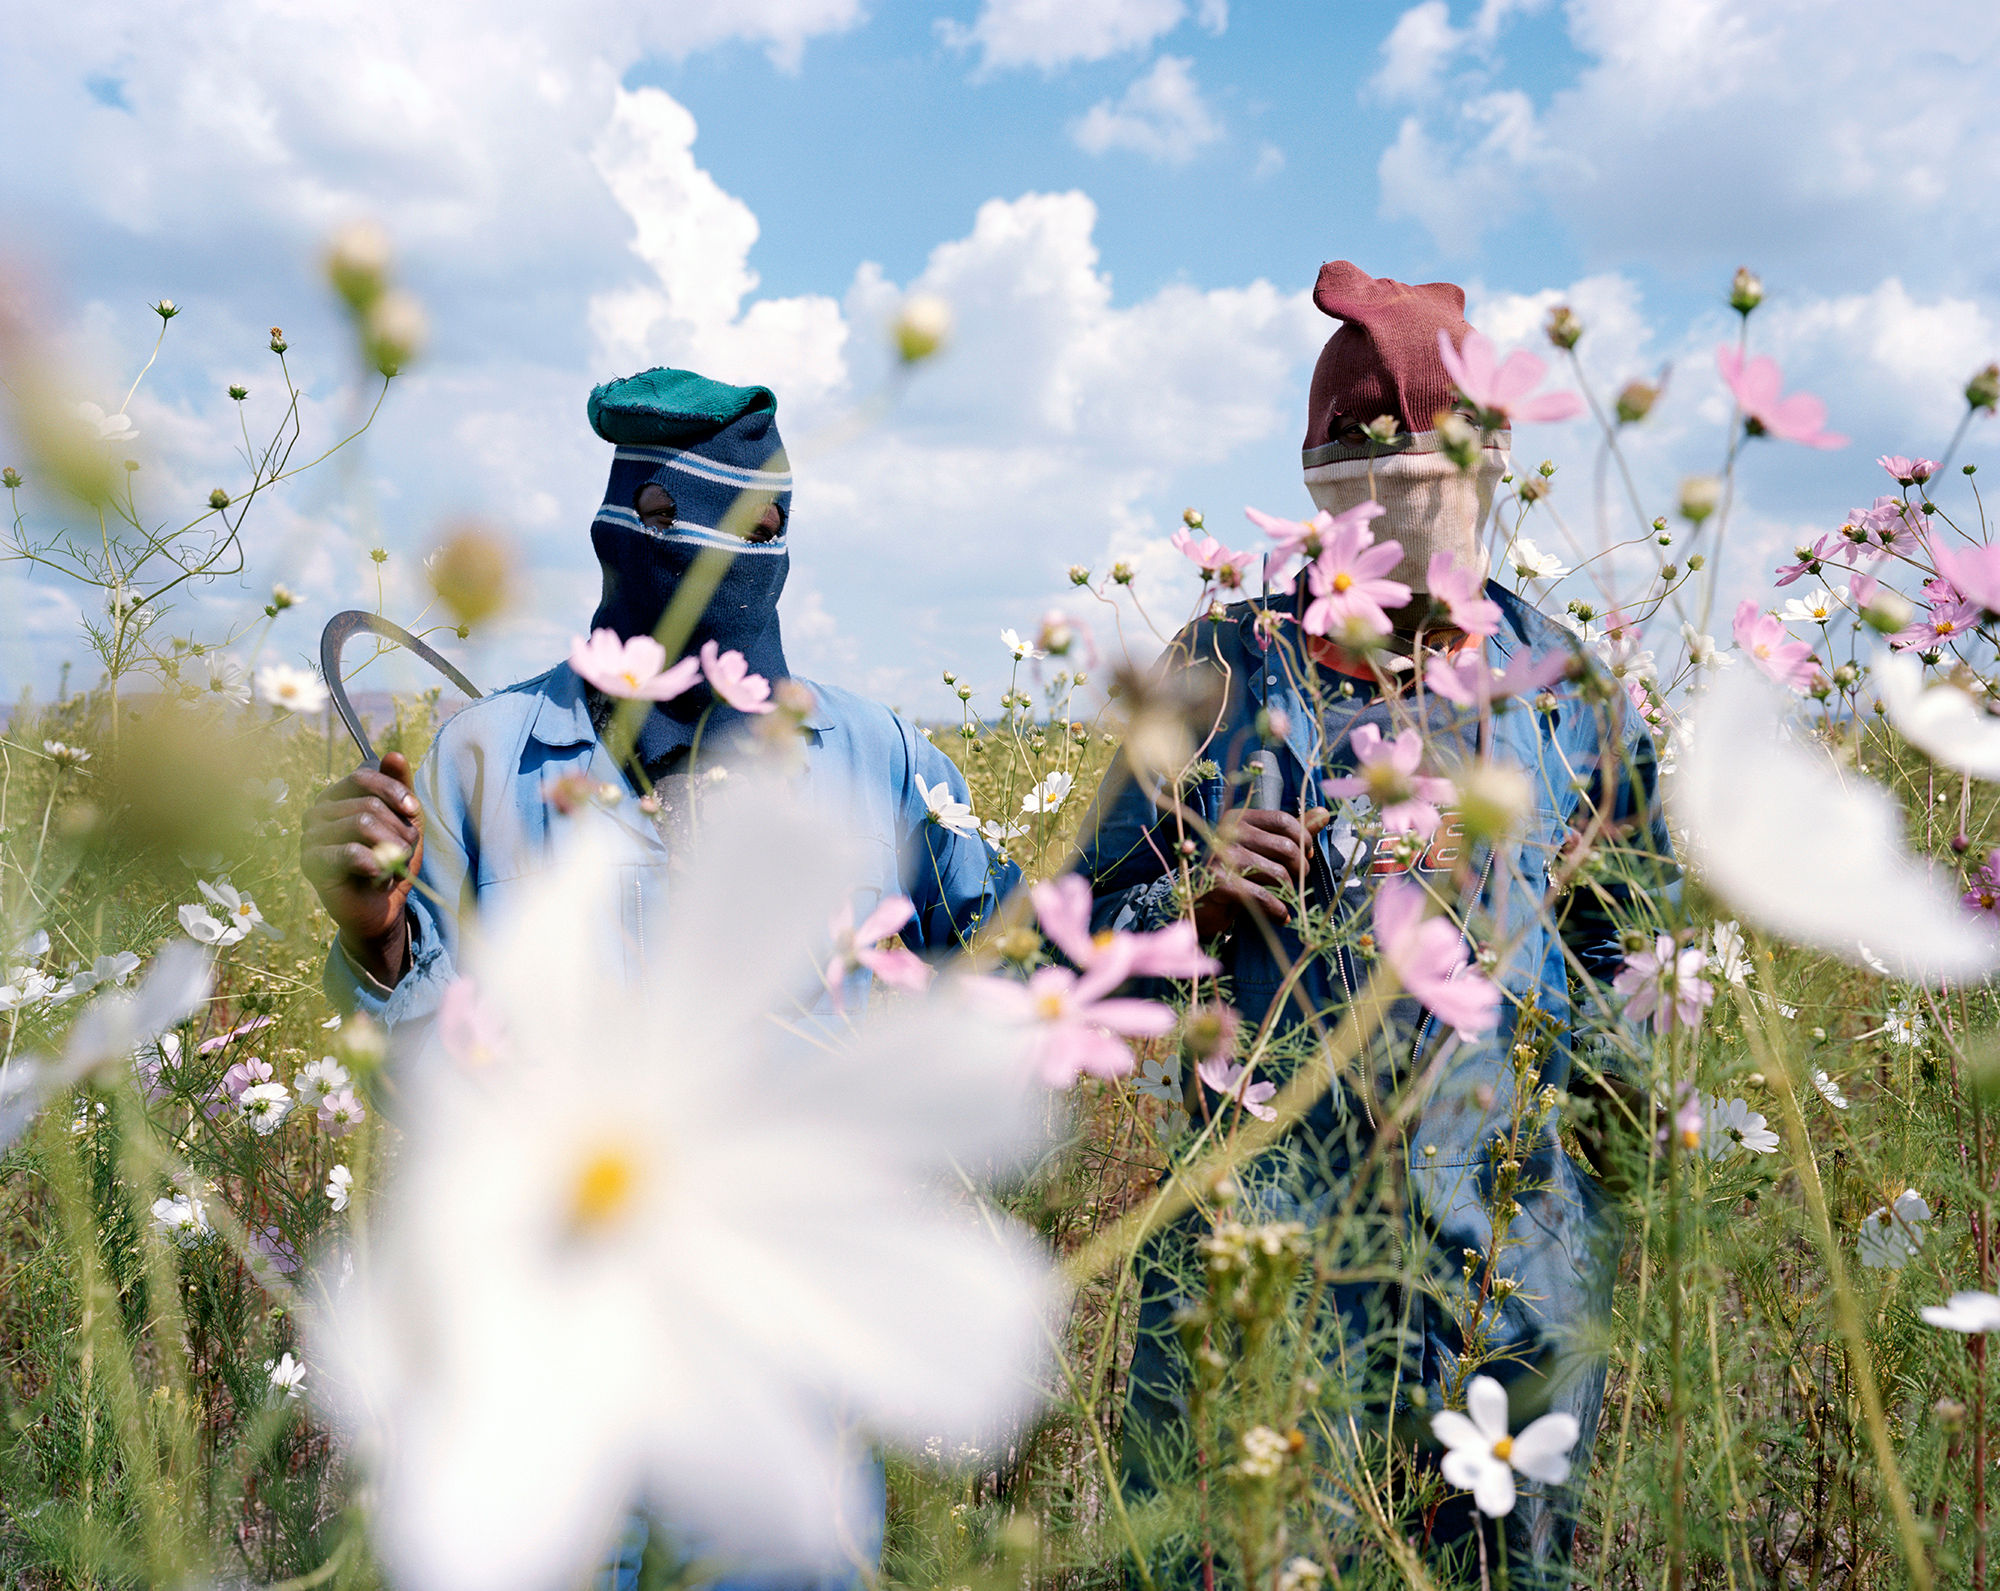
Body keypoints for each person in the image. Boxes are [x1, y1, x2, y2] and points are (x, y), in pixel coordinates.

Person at [1076, 262, 1675, 1584]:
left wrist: (1601, 926)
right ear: (1325, 491)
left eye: (1448, 482)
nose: (1416, 527)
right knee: (1241, 1551)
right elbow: (1081, 938)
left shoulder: (1563, 685)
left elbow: (1648, 978)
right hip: (1268, 1263)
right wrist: (1197, 898)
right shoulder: (1223, 666)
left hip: (1509, 1274)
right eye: (1381, 484)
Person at [303, 365, 1009, 1044]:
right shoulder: (482, 762)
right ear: (615, 530)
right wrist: (381, 943)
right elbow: (415, 1081)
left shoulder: (881, 756)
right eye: (666, 516)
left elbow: (1008, 963)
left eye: (763, 531)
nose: (728, 557)